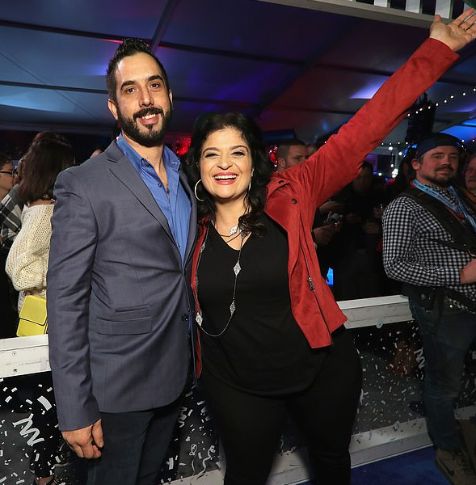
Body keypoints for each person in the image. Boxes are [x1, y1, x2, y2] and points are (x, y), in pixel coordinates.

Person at [185, 12, 476, 485]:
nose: (224, 164)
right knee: (245, 474)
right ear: (197, 164)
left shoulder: (293, 191)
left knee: (331, 465)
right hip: (236, 383)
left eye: (236, 152)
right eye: (211, 154)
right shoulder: (188, 225)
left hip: (320, 367)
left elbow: (364, 127)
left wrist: (435, 52)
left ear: (255, 163)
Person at [47, 38, 197, 485]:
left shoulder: (190, 175)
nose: (146, 99)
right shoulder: (82, 182)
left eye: (154, 85)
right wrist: (74, 407)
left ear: (170, 96)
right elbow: (66, 299)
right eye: (130, 90)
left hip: (175, 374)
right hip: (115, 388)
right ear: (114, 107)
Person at [383, 132, 476, 485]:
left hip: (469, 303)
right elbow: (394, 265)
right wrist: (460, 272)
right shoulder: (404, 206)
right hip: (445, 309)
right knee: (444, 385)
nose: (446, 162)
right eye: (436, 155)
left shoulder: (456, 197)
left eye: (452, 156)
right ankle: (449, 449)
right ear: (416, 164)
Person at [5, 134, 74, 485]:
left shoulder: (46, 208)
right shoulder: (45, 212)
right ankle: (44, 474)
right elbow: (17, 268)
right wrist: (61, 275)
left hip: (44, 320)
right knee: (48, 401)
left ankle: (46, 470)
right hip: (44, 322)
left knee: (50, 400)